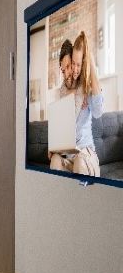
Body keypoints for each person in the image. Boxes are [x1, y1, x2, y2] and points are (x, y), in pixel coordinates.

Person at [49, 32, 104, 176]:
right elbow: (61, 128)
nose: (68, 73)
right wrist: (54, 148)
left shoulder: (86, 86)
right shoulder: (62, 91)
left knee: (79, 161)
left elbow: (98, 112)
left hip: (86, 154)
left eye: (70, 66)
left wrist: (90, 62)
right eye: (63, 69)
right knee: (55, 160)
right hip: (69, 155)